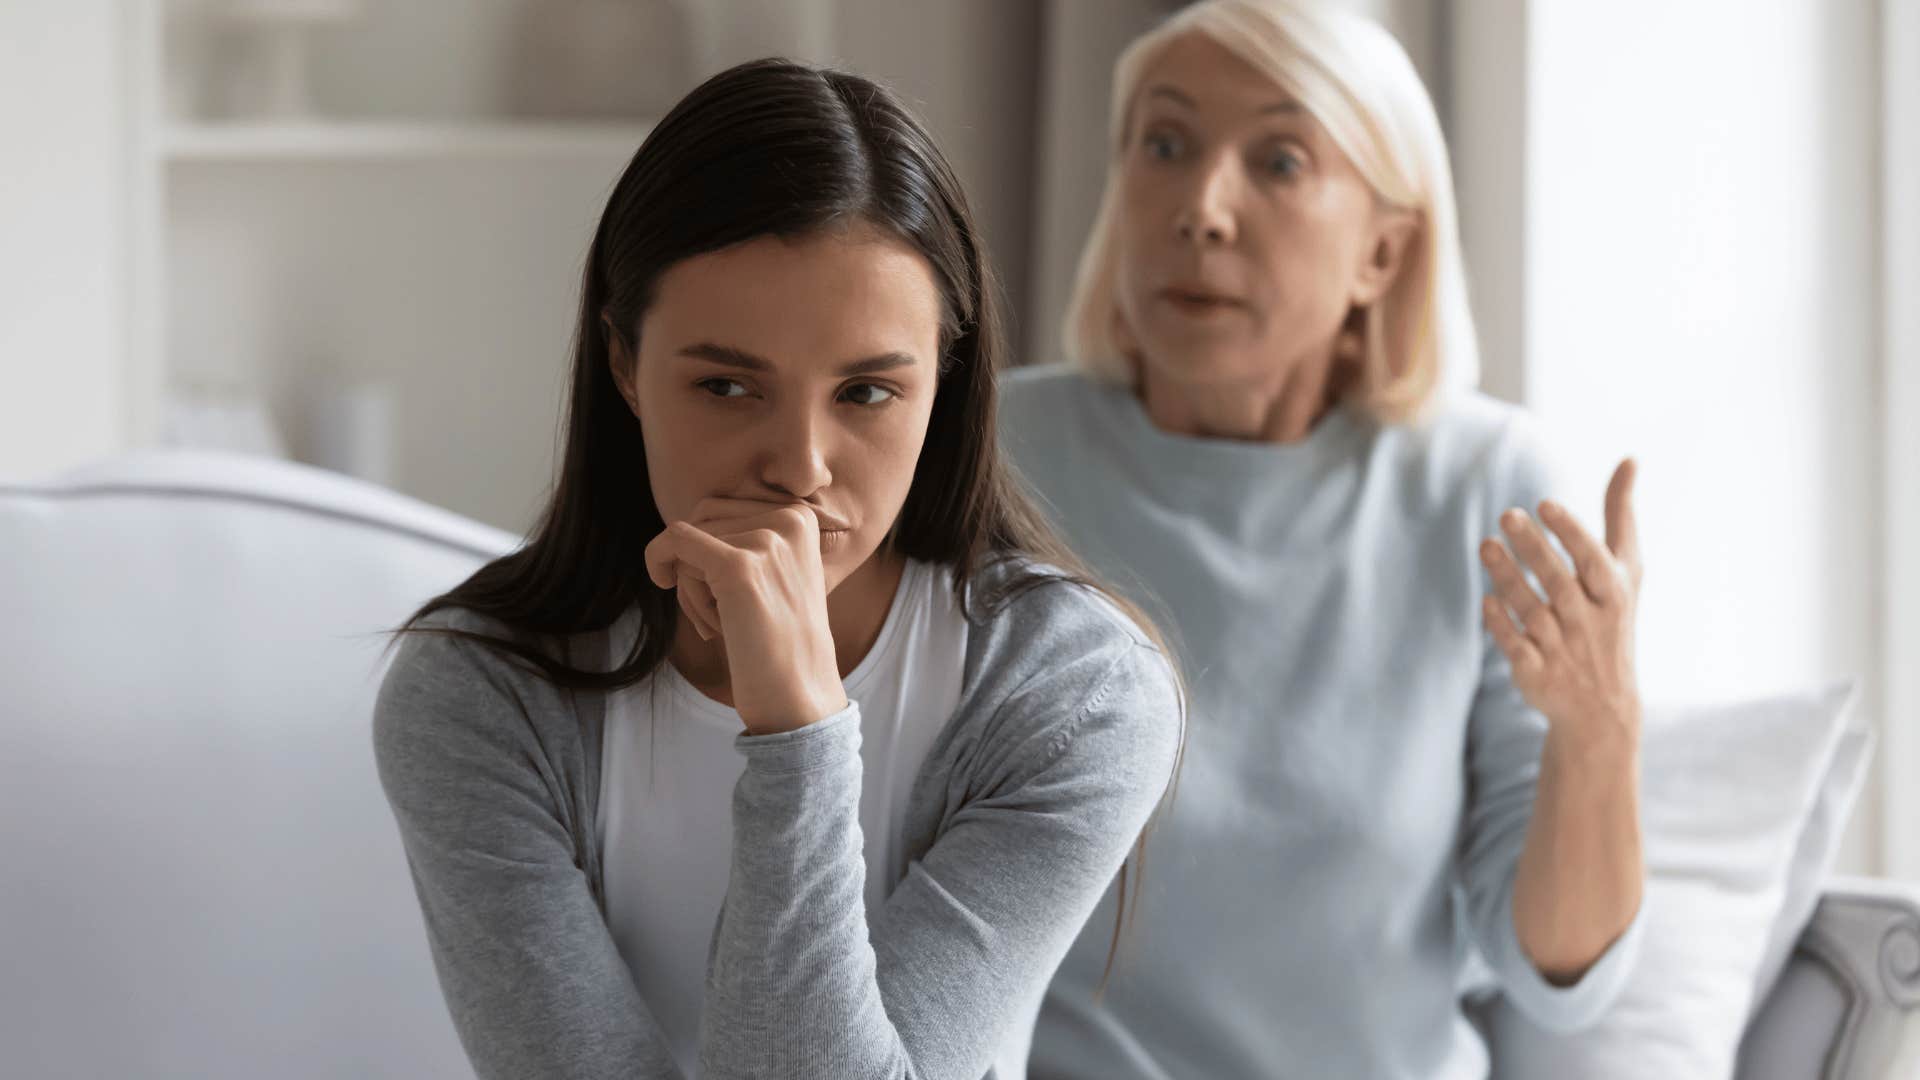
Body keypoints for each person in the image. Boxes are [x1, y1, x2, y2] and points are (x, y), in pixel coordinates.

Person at [373, 58, 1183, 1080]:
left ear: (946, 381)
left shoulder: (1077, 699)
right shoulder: (477, 696)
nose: (799, 464)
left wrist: (798, 722)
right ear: (624, 364)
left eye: (867, 394)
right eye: (725, 385)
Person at [1001, 3, 1646, 1076]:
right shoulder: (998, 452)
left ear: (1383, 254)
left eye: (1280, 161)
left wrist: (1602, 729)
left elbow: (1555, 972)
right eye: (1165, 146)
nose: (1202, 208)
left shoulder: (1490, 487)